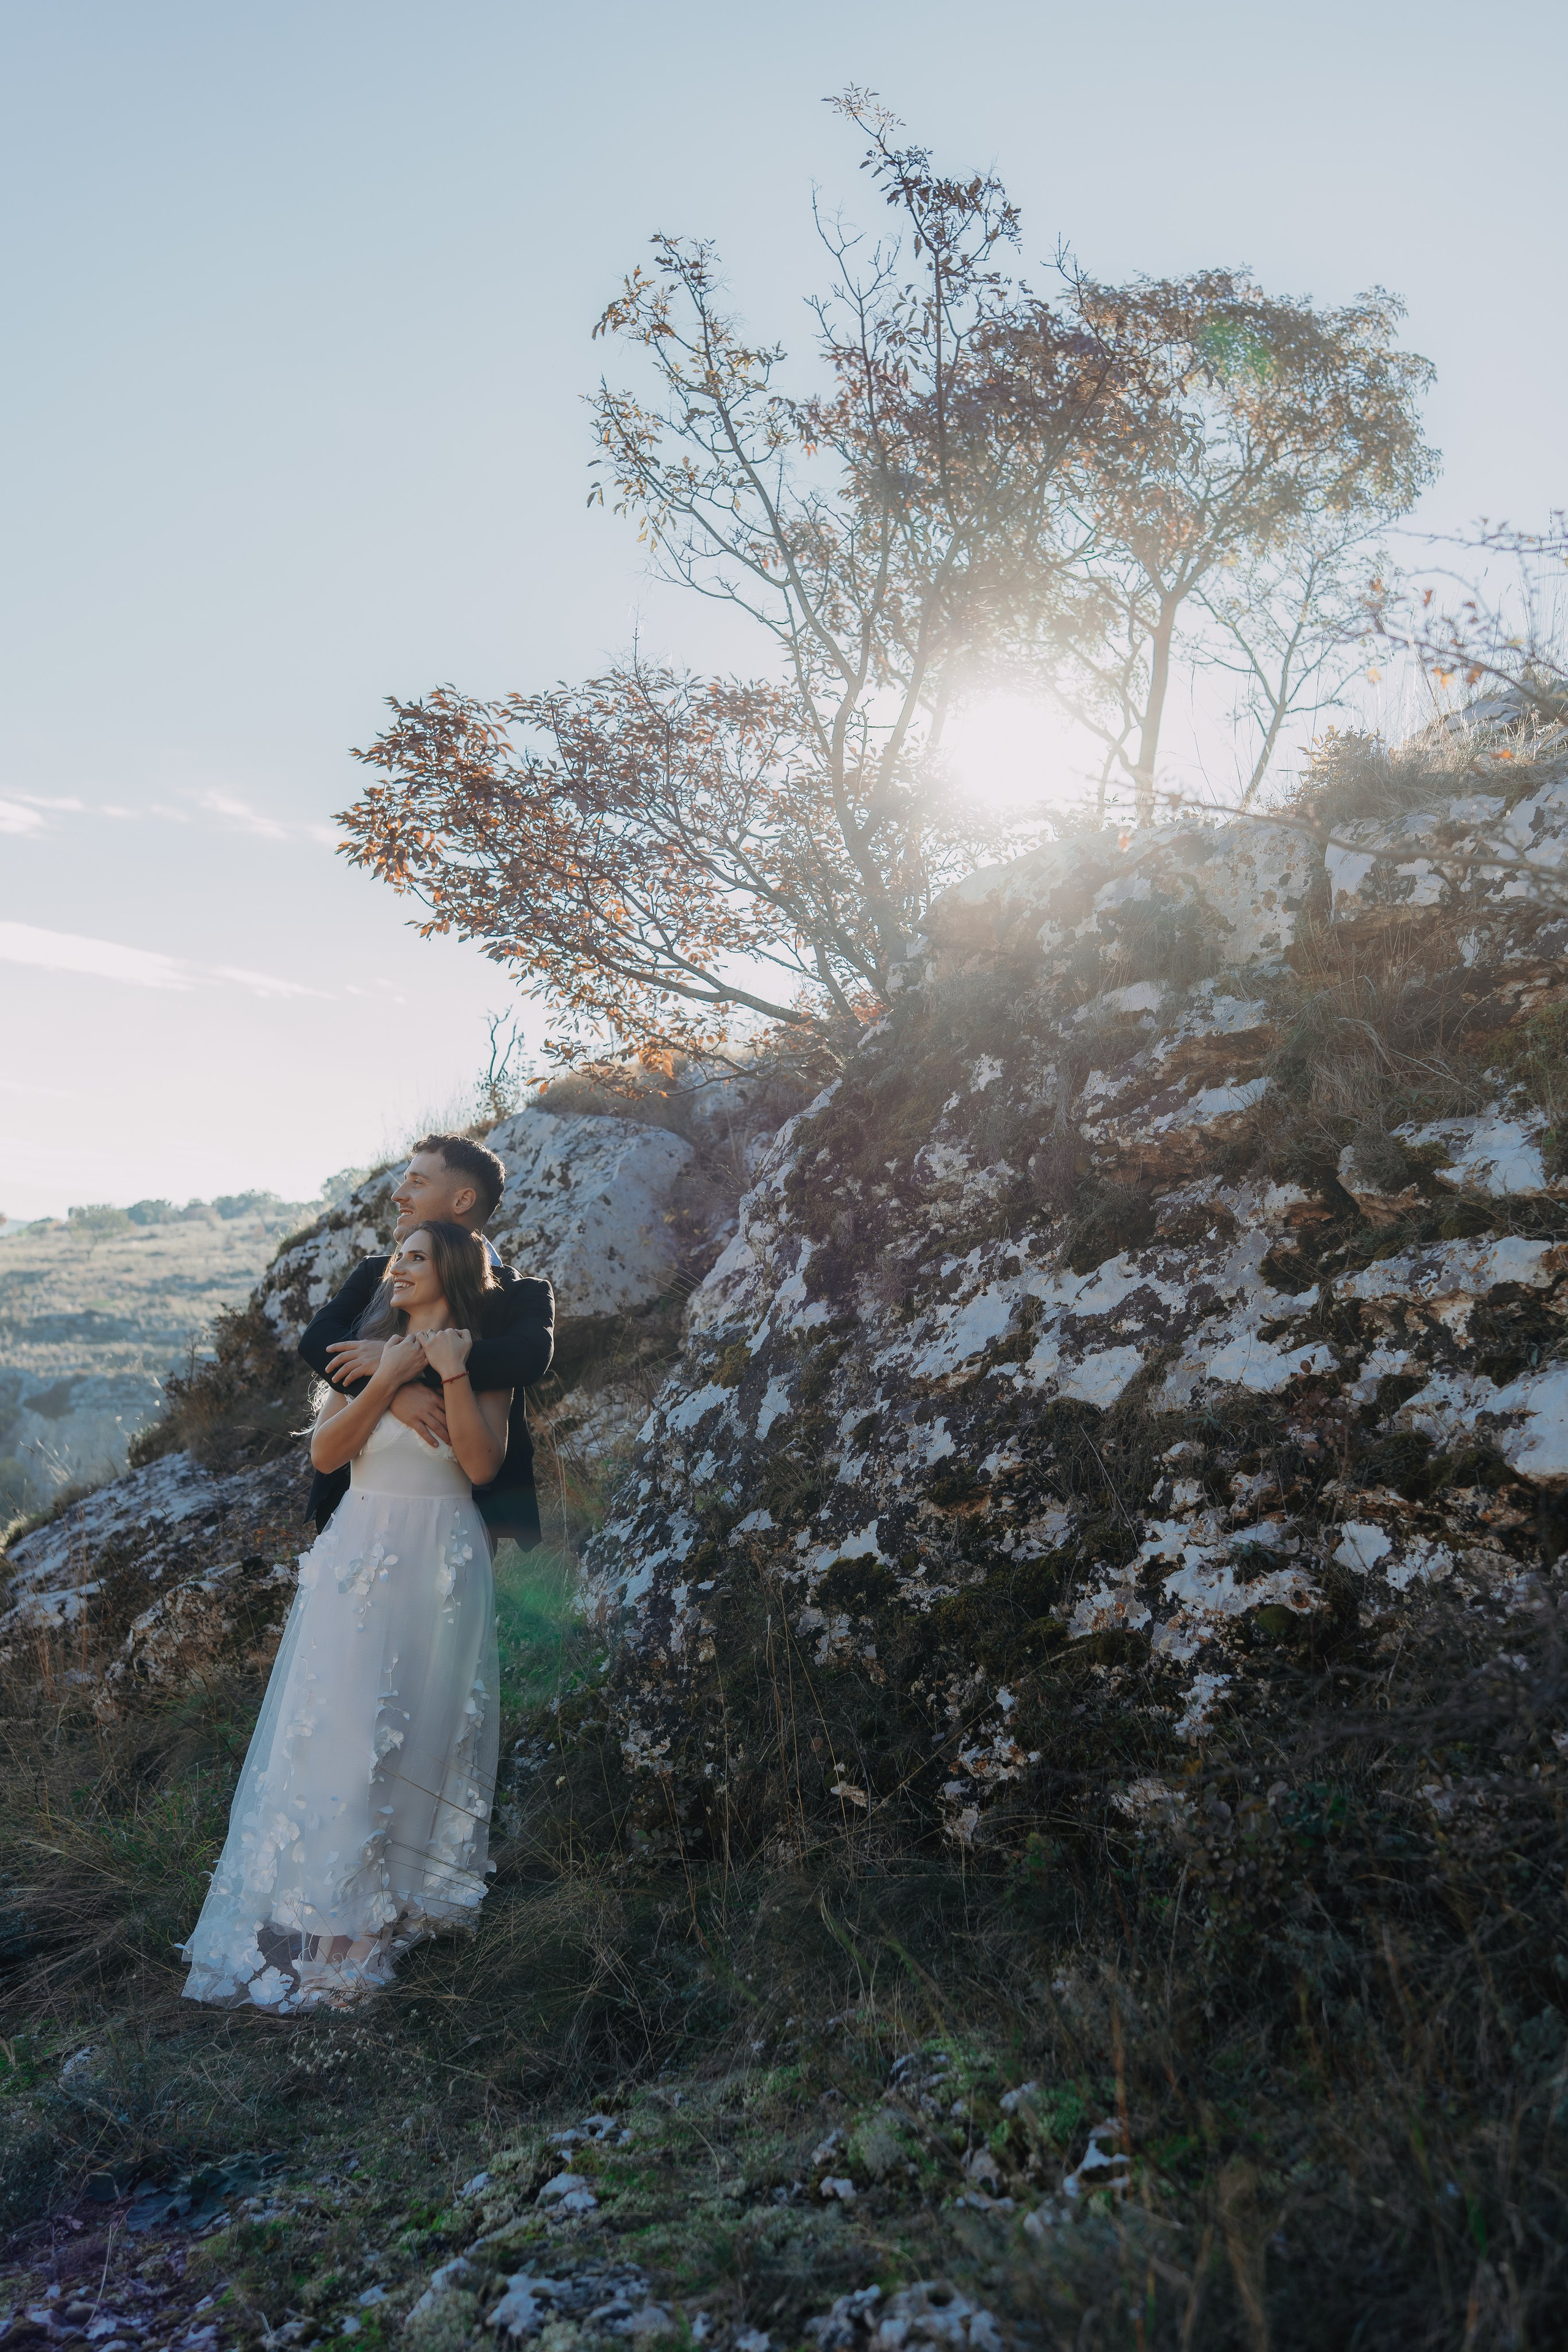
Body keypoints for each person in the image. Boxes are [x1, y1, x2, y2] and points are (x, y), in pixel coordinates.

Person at [182, 1221, 509, 2011]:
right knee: (343, 1727)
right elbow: (328, 1455)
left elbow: (481, 1465)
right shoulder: (366, 1349)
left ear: (453, 1271)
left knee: (426, 1726)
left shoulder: (481, 1358)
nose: (396, 1267)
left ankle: (396, 1909)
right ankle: (327, 1925)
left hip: (442, 1558)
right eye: (398, 1256)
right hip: (361, 1553)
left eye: (416, 1258)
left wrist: (451, 1374)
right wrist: (388, 1379)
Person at [298, 1134, 554, 1546]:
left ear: (462, 1200)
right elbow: (318, 1342)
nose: (399, 1195)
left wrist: (406, 1360)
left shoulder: (520, 1293)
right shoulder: (376, 1274)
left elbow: (525, 1359)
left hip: (468, 1519)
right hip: (360, 1511)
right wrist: (392, 1388)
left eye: (416, 1182)